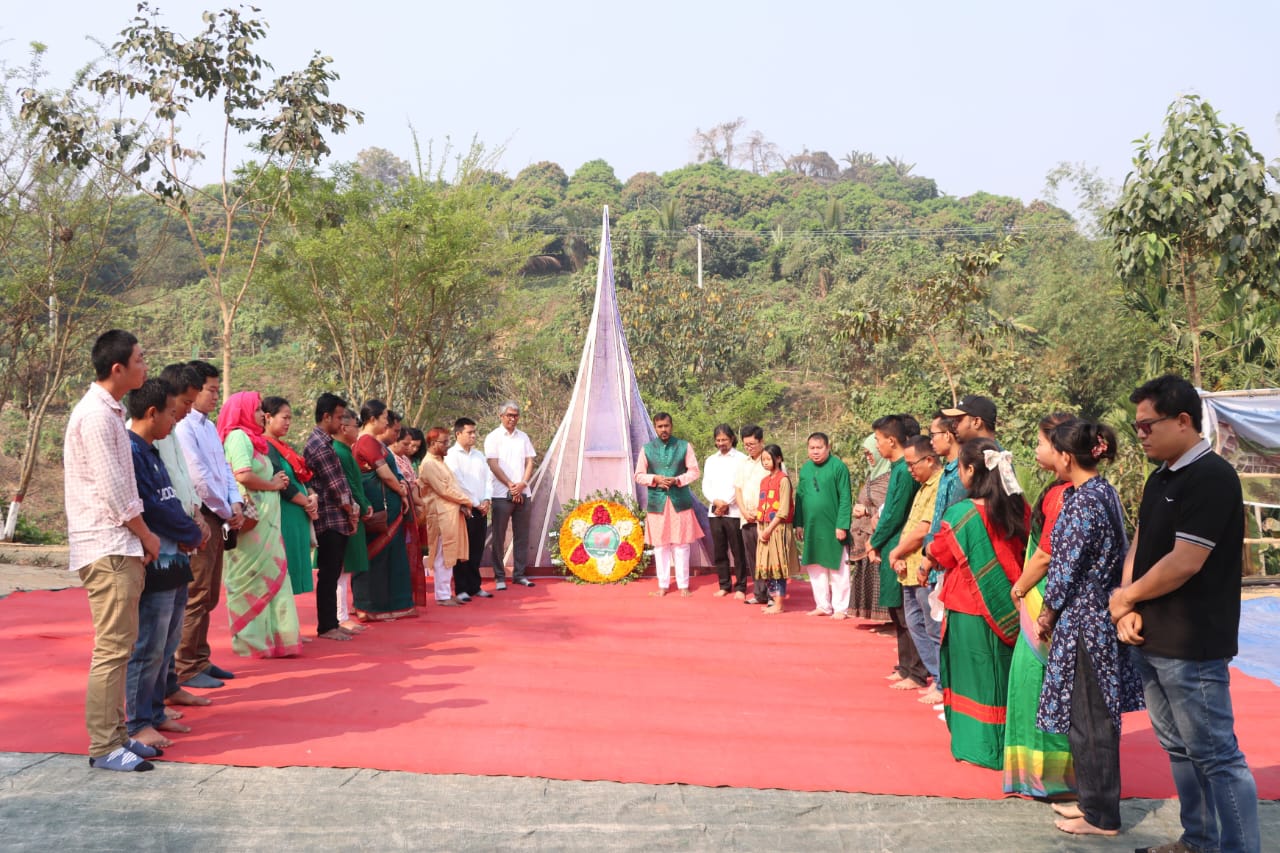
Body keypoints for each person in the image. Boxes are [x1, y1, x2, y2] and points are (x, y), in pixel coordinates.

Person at [1111, 375, 1260, 853]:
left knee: (1218, 757)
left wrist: (1126, 599)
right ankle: (1198, 839)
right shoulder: (1161, 477)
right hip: (1150, 637)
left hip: (1191, 646)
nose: (1140, 435)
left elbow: (1185, 561)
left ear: (1182, 420)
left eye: (1147, 425)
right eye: (1137, 427)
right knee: (1179, 747)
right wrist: (1127, 603)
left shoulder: (1212, 477)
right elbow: (1141, 544)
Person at [1034, 419, 1144, 838]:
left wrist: (1047, 612)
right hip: (1098, 616)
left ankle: (1101, 815)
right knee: (1090, 715)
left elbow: (1065, 568)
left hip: (1085, 621)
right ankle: (1091, 802)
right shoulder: (1103, 492)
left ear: (1066, 456)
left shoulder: (1082, 502)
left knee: (1091, 718)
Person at [65, 330, 161, 771]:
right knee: (112, 648)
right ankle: (104, 745)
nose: (145, 366)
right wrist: (146, 535)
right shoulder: (97, 416)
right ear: (117, 368)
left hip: (116, 544)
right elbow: (116, 492)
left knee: (120, 647)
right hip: (109, 545)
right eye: (140, 359)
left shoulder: (109, 413)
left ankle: (118, 736)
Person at [926, 438, 1028, 770]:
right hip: (1014, 604)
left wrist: (928, 553)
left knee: (974, 677)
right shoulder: (1020, 507)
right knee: (1004, 674)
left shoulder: (962, 514)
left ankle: (980, 748)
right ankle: (1011, 745)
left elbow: (942, 553)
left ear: (970, 470)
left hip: (968, 607)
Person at [125, 379, 205, 751]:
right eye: (172, 413)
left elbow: (170, 499)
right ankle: (137, 722)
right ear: (152, 412)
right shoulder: (132, 451)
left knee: (168, 641)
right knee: (148, 645)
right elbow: (153, 508)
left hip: (176, 556)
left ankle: (155, 711)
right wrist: (190, 531)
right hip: (157, 559)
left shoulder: (153, 450)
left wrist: (190, 529)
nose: (176, 421)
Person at [1003, 413, 1078, 804]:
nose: (1035, 450)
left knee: (1039, 682)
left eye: (1040, 443)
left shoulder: (1062, 495)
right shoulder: (1065, 490)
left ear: (1062, 450)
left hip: (1045, 597)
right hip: (1048, 596)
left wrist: (1020, 587)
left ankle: (1048, 776)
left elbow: (1046, 554)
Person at [216, 391, 303, 658]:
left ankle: (278, 639)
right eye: (255, 410)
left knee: (274, 576)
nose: (260, 415)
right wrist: (272, 484)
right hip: (253, 526)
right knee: (252, 579)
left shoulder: (255, 441)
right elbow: (242, 475)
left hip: (266, 523)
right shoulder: (238, 437)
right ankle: (253, 642)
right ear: (242, 412)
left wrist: (276, 481)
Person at [174, 359, 244, 689]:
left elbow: (224, 469)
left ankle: (200, 657)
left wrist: (235, 502)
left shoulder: (208, 426)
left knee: (210, 593)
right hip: (203, 513)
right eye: (210, 390)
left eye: (217, 390)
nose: (215, 396)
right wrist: (226, 508)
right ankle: (185, 664)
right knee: (197, 592)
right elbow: (198, 477)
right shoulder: (184, 427)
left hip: (218, 513)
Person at [152, 363, 213, 718]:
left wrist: (198, 515)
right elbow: (159, 494)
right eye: (186, 403)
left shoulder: (174, 430)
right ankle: (149, 708)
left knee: (173, 625)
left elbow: (184, 481)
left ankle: (170, 686)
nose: (189, 410)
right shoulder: (148, 435)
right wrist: (189, 528)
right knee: (155, 633)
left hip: (185, 531)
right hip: (165, 541)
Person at [868, 415, 925, 682]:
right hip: (892, 543)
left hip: (901, 545)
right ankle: (905, 665)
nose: (876, 445)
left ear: (892, 440)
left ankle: (916, 670)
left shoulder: (904, 471)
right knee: (898, 610)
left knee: (907, 612)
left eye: (878, 439)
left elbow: (894, 514)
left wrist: (874, 541)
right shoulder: (897, 469)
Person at [887, 435, 943, 699]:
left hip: (924, 568)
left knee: (931, 627)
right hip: (908, 568)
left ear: (929, 460)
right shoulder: (922, 487)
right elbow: (912, 526)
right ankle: (935, 676)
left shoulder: (938, 485)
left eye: (912, 464)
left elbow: (924, 530)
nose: (910, 470)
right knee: (915, 624)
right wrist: (899, 555)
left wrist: (897, 551)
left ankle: (941, 682)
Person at [351, 400, 416, 621]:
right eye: (384, 418)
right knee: (376, 559)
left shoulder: (376, 443)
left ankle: (393, 605)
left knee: (392, 558)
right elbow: (385, 474)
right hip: (378, 511)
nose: (387, 423)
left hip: (390, 508)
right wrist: (402, 491)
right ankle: (369, 607)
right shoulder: (366, 442)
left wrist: (401, 493)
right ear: (372, 419)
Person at [304, 393, 360, 639]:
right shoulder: (320, 446)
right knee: (329, 573)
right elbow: (337, 486)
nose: (341, 422)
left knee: (333, 572)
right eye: (338, 417)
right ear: (326, 417)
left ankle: (332, 622)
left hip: (335, 517)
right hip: (330, 519)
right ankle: (327, 626)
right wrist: (351, 511)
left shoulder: (324, 443)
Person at [634, 412, 704, 597]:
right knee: (660, 546)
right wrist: (655, 478)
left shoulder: (684, 446)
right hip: (657, 503)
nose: (663, 429)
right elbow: (638, 475)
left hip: (679, 502)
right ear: (655, 428)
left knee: (681, 545)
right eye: (660, 427)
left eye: (666, 426)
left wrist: (677, 480)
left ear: (671, 426)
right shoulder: (647, 449)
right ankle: (663, 585)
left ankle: (683, 585)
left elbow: (694, 471)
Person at [262, 396, 318, 596]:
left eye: (290, 418)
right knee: (284, 572)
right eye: (284, 417)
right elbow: (283, 483)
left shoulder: (283, 447)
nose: (288, 422)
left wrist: (312, 494)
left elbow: (301, 476)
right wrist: (307, 503)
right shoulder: (265, 446)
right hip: (285, 515)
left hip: (299, 515)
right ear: (268, 417)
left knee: (295, 568)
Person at [793, 432, 852, 619]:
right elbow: (800, 497)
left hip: (833, 525)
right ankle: (822, 605)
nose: (815, 452)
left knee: (838, 567)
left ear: (828, 448)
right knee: (815, 566)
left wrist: (842, 524)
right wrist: (799, 523)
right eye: (812, 448)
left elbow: (845, 498)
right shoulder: (805, 469)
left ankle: (841, 608)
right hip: (812, 526)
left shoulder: (838, 467)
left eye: (819, 448)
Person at [486, 400, 538, 589]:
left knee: (522, 536)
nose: (512, 419)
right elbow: (492, 464)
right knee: (499, 537)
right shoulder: (493, 437)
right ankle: (499, 577)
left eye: (516, 415)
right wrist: (510, 485)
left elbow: (530, 461)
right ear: (501, 416)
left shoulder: (523, 437)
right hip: (501, 493)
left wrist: (522, 484)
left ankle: (519, 574)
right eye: (509, 415)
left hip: (523, 492)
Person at [419, 427, 474, 606]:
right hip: (440, 516)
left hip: (450, 514)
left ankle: (445, 593)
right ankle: (442, 595)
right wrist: (467, 501)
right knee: (442, 555)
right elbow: (444, 490)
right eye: (444, 442)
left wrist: (463, 504)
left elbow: (453, 487)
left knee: (449, 554)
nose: (447, 446)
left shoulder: (440, 462)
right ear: (432, 443)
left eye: (447, 442)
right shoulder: (429, 464)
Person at [331, 410, 370, 632]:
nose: (358, 431)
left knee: (344, 570)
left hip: (351, 513)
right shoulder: (339, 452)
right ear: (344, 428)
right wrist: (363, 505)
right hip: (343, 515)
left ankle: (341, 615)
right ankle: (339, 616)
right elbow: (349, 485)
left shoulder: (345, 450)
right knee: (340, 569)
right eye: (357, 426)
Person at [446, 417, 493, 602]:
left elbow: (488, 479)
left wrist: (487, 499)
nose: (473, 436)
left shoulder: (479, 455)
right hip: (464, 509)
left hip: (481, 508)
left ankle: (475, 586)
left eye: (474, 432)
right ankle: (461, 588)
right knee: (462, 551)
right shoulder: (451, 456)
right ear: (458, 434)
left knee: (477, 548)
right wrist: (474, 502)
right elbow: (458, 482)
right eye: (469, 432)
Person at [847, 434, 890, 622]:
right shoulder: (873, 475)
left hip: (878, 535)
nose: (868, 457)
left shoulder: (889, 477)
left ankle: (888, 621)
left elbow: (889, 509)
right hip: (864, 534)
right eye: (866, 454)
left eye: (870, 453)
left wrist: (867, 510)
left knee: (880, 578)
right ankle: (876, 617)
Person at [703, 424, 749, 598]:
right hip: (715, 511)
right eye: (718, 440)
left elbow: (741, 484)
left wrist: (727, 503)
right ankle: (724, 585)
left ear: (732, 439)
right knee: (720, 550)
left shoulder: (741, 459)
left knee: (738, 551)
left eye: (724, 439)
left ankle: (741, 587)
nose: (721, 443)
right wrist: (715, 501)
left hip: (735, 511)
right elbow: (706, 484)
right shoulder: (710, 460)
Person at [755, 445, 799, 614]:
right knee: (764, 566)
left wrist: (769, 530)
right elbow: (761, 507)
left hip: (778, 527)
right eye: (763, 459)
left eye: (769, 459)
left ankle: (779, 604)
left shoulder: (783, 480)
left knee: (777, 566)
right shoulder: (763, 481)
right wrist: (760, 529)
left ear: (779, 459)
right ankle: (774, 600)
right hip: (764, 527)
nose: (765, 462)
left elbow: (783, 510)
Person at [391, 426, 429, 608]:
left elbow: (412, 486)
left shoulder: (405, 459)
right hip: (398, 511)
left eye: (413, 446)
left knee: (408, 554)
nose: (409, 449)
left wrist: (420, 504)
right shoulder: (390, 458)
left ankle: (405, 593)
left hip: (410, 512)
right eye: (406, 444)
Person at [734, 425, 772, 606]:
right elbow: (738, 489)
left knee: (769, 557)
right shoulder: (743, 463)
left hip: (766, 519)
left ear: (761, 441)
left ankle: (773, 595)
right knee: (753, 557)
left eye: (752, 444)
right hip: (746, 517)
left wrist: (760, 512)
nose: (749, 447)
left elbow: (778, 489)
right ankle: (759, 593)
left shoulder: (770, 460)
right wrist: (743, 510)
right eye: (746, 444)